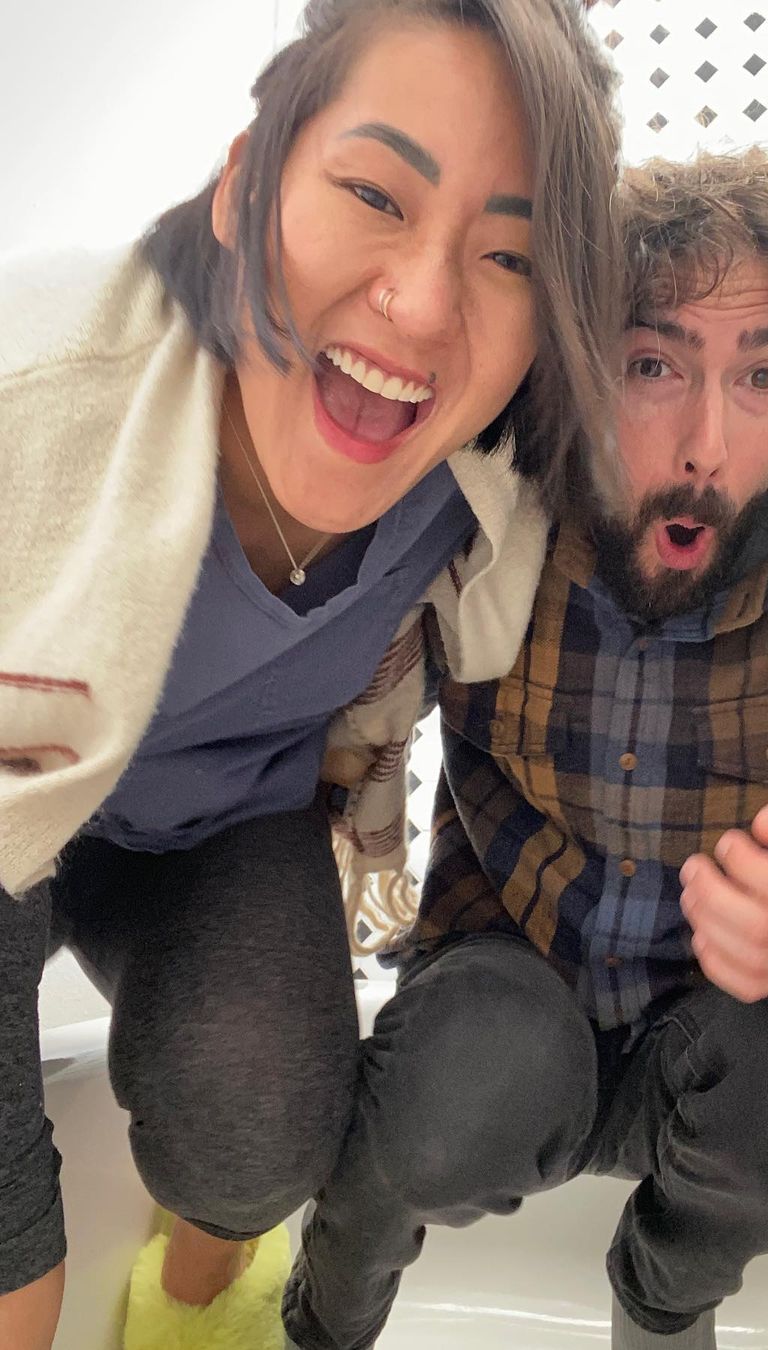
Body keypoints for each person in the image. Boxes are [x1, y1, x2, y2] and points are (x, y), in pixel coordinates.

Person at [0, 3, 624, 1347]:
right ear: (244, 185)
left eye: (508, 253)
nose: (424, 303)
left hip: (211, 826)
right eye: (373, 193)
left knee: (260, 1122)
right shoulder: (31, 406)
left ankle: (191, 1304)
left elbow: (696, 410)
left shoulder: (483, 473)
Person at [280, 148, 768, 1350]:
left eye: (762, 376)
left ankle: (659, 1310)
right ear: (584, 372)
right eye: (653, 366)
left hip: (724, 1040)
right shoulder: (490, 515)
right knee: (445, 1100)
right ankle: (319, 1322)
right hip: (506, 992)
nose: (703, 444)